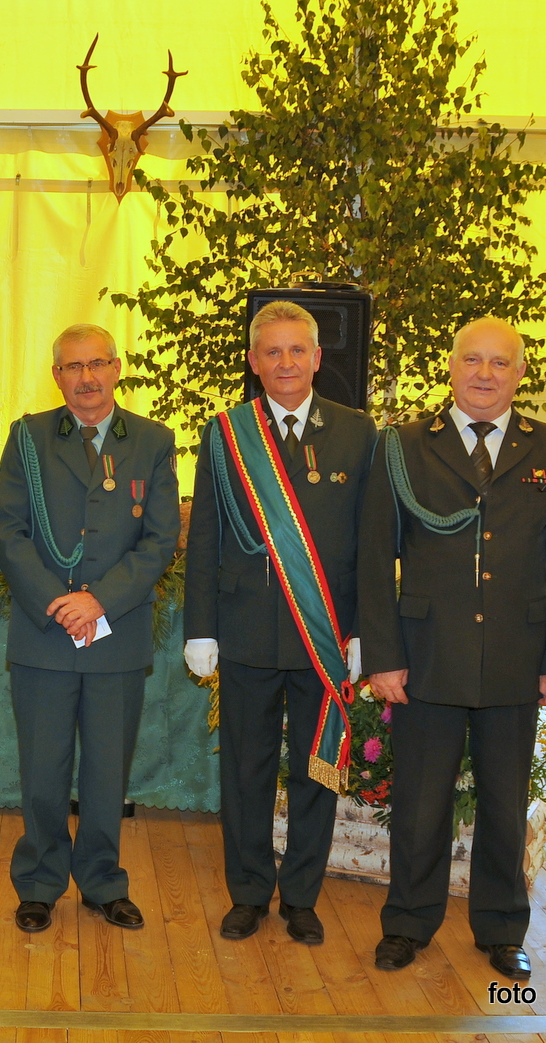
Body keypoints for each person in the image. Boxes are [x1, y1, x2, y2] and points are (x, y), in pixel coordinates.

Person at [358, 317, 546, 980]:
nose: (485, 374)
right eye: (472, 360)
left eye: (499, 362)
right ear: (451, 367)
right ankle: (408, 923)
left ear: (520, 373)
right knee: (419, 803)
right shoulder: (402, 445)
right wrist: (383, 655)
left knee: (506, 804)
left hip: (517, 656)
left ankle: (502, 928)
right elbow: (374, 556)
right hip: (426, 654)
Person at [183, 302, 376, 942]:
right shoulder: (227, 432)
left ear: (318, 358)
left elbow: (370, 544)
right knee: (246, 769)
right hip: (245, 630)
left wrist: (362, 629)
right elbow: (206, 534)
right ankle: (247, 893)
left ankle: (301, 897)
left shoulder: (357, 432)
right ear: (253, 360)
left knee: (317, 768)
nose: (285, 362)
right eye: (273, 351)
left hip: (323, 636)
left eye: (297, 350)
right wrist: (201, 626)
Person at [0, 324, 180, 934]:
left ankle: (102, 883)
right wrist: (58, 602)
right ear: (57, 376)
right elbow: (9, 531)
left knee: (106, 773)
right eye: (73, 367)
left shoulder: (152, 441)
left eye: (97, 363)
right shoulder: (28, 438)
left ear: (117, 368)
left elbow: (160, 540)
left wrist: (99, 601)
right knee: (43, 770)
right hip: (45, 634)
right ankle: (40, 883)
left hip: (116, 633)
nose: (87, 377)